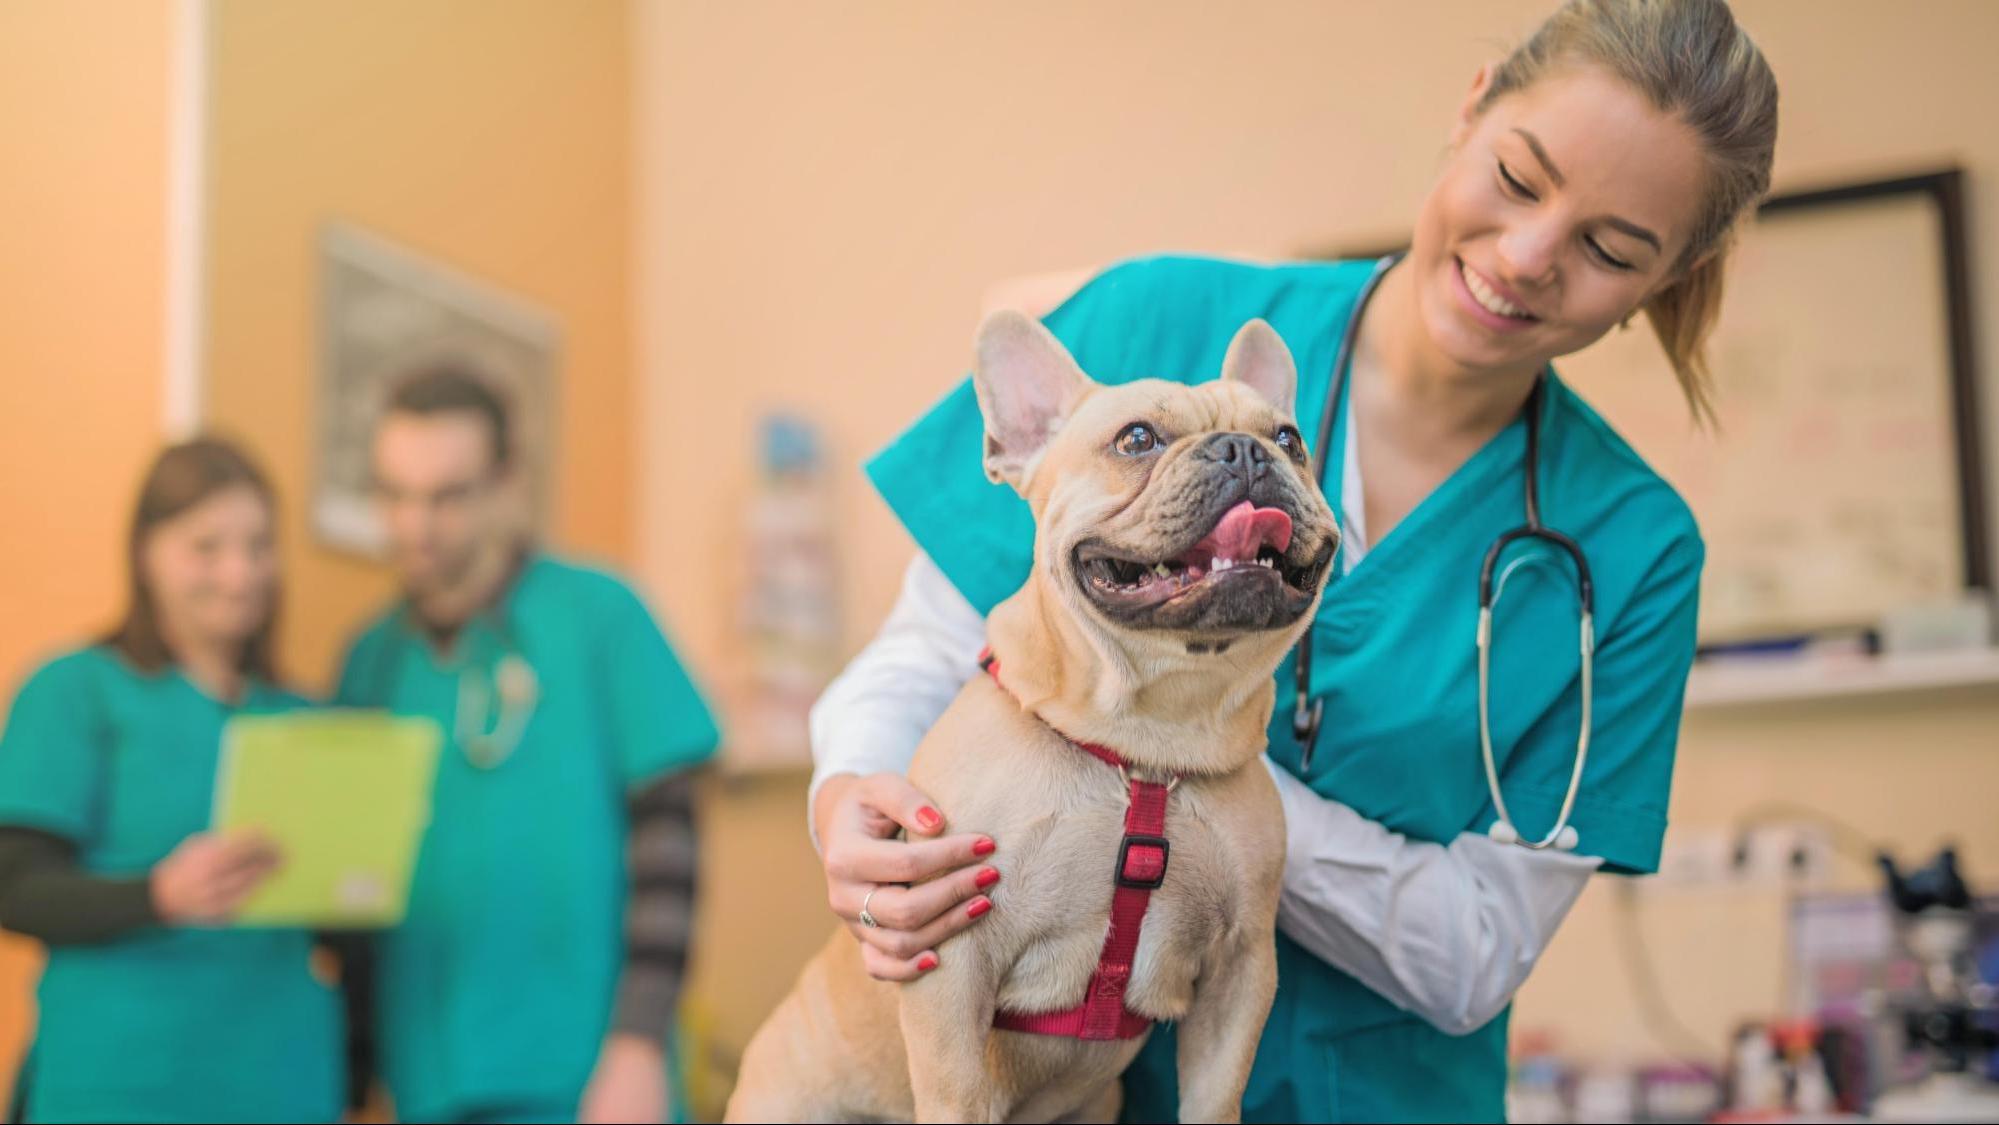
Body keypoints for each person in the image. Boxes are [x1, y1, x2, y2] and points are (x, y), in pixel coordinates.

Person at [805, 0, 1779, 1120]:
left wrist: (1192, 768)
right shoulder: (1154, 316)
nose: (1525, 258)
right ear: (1470, 110)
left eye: (1610, 250)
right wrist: (854, 809)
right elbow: (926, 655)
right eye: (1517, 178)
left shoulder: (1632, 548)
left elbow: (1475, 956)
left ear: (1667, 278)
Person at [334, 365, 719, 1124]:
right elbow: (353, 885)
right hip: (425, 1078)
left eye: (447, 496)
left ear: (507, 486)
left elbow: (669, 847)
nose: (417, 526)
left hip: (587, 1078)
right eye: (396, 495)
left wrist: (638, 1045)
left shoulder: (599, 615)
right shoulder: (369, 660)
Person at [0, 439, 343, 1123]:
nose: (239, 573)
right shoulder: (76, 691)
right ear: (146, 553)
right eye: (206, 546)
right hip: (119, 1083)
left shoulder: (309, 719)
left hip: (281, 1082)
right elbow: (13, 886)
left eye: (258, 546)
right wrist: (158, 893)